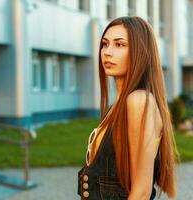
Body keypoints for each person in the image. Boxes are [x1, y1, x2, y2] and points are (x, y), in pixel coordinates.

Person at [77, 16, 179, 200]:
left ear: (140, 51)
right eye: (105, 44)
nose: (107, 52)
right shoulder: (118, 106)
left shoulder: (138, 101)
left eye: (119, 45)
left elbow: (141, 192)